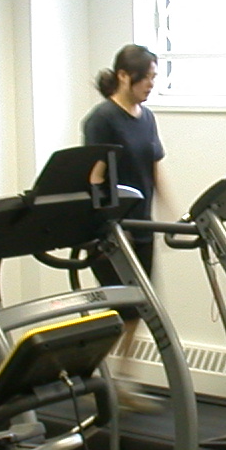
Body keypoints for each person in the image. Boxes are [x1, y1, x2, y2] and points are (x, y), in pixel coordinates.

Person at [83, 44, 165, 410]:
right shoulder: (101, 119)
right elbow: (94, 176)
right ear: (123, 76)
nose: (151, 84)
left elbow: (153, 167)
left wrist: (171, 213)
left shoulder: (146, 117)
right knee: (122, 310)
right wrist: (105, 223)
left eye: (153, 77)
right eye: (146, 77)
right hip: (111, 233)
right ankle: (96, 377)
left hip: (142, 226)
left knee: (139, 310)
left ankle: (120, 381)